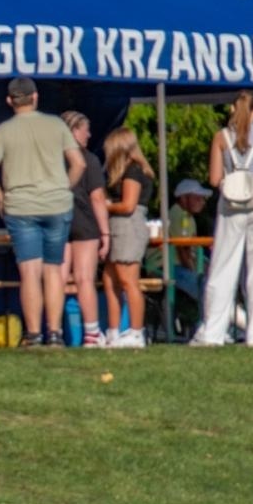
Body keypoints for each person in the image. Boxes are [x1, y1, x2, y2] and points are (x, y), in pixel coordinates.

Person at [0, 75, 84, 347]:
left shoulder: (4, 130)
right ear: (36, 97)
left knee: (29, 272)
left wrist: (1, 200)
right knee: (53, 270)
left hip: (20, 206)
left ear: (9, 101)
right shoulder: (56, 125)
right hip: (56, 204)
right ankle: (56, 333)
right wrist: (64, 187)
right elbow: (79, 163)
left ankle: (34, 334)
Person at [193, 90, 253, 347]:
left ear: (232, 109)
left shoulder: (221, 137)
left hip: (230, 200)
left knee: (222, 266)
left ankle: (213, 331)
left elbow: (213, 179)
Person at [59, 110, 110, 347]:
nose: (89, 135)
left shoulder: (52, 157)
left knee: (57, 278)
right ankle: (91, 333)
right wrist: (105, 233)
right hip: (84, 221)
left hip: (58, 218)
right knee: (85, 279)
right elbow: (97, 197)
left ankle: (54, 330)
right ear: (73, 131)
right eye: (85, 130)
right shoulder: (88, 159)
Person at [100, 127, 154, 349]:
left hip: (128, 226)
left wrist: (105, 205)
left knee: (128, 279)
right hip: (117, 226)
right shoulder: (121, 173)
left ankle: (136, 331)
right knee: (110, 278)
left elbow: (129, 205)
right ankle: (113, 331)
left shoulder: (133, 170)